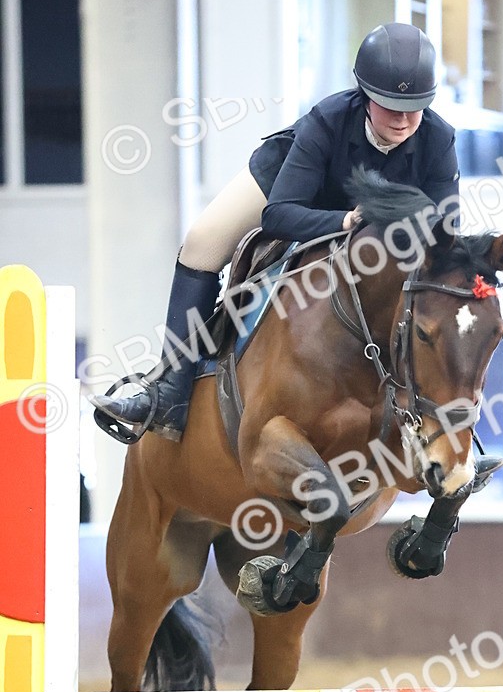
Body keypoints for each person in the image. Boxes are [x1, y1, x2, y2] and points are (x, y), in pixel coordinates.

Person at [92, 22, 460, 441]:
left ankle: (450, 430)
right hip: (290, 185)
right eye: (390, 103)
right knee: (201, 243)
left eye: (415, 106)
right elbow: (279, 215)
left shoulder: (439, 138)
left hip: (364, 218)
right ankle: (171, 391)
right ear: (364, 97)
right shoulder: (327, 120)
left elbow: (446, 230)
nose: (403, 118)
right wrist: (343, 221)